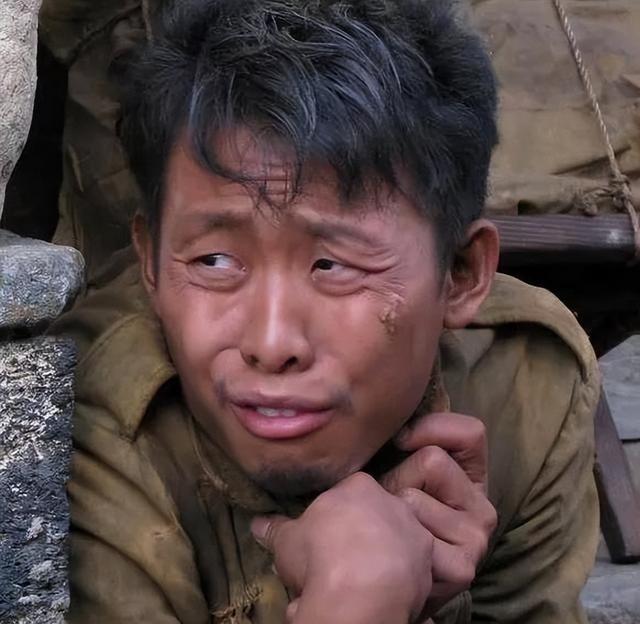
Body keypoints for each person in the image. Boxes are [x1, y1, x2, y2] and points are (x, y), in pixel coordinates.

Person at [50, 1, 600, 622]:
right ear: (150, 262)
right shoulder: (87, 420)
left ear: (462, 273)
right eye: (215, 261)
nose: (272, 342)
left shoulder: (523, 386)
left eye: (333, 266)